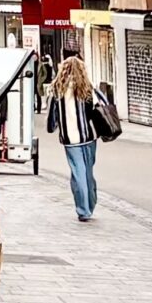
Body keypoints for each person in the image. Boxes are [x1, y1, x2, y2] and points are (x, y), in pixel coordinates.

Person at [42, 53, 107, 221]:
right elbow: (104, 105)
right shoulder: (88, 88)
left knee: (77, 172)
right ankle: (90, 203)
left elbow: (51, 119)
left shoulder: (57, 91)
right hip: (90, 136)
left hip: (71, 140)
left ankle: (83, 209)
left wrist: (52, 127)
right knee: (87, 171)